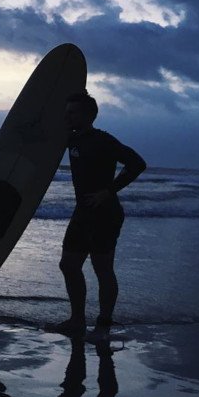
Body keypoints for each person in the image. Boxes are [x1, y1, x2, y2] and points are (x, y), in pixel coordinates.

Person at [50, 91, 145, 341]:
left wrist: (108, 191)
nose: (67, 117)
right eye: (66, 112)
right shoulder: (71, 139)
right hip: (82, 212)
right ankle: (77, 320)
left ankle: (103, 324)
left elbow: (137, 163)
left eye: (72, 113)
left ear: (88, 115)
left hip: (105, 214)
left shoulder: (103, 140)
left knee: (102, 269)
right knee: (68, 265)